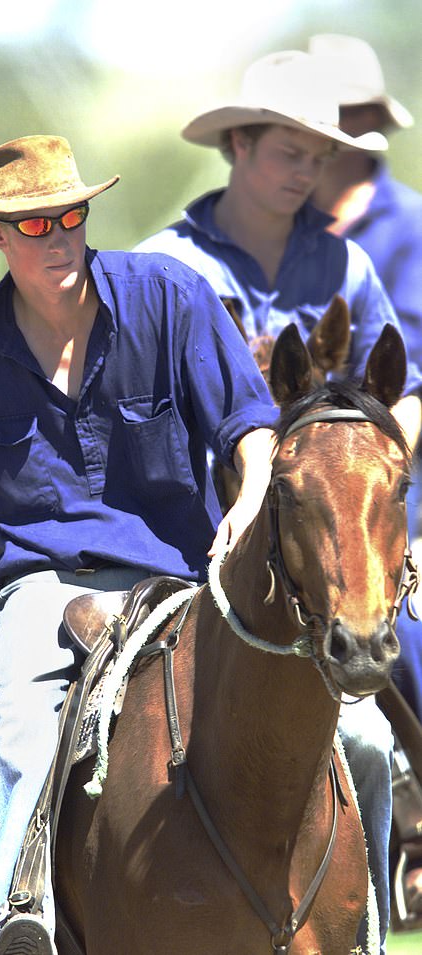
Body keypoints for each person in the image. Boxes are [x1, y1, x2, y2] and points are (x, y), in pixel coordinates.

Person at [0, 134, 279, 955]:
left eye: (72, 215)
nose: (61, 238)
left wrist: (252, 502)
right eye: (36, 225)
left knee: (343, 729)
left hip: (183, 581)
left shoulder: (170, 296)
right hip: (42, 587)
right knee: (15, 731)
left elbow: (252, 426)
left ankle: (355, 927)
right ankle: (10, 925)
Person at [133, 50, 422, 952]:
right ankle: (37, 902)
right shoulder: (163, 269)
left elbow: (394, 395)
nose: (306, 169)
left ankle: (366, 925)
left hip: (315, 578)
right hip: (183, 563)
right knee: (74, 729)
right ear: (238, 145)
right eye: (286, 150)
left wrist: (383, 502)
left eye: (317, 152)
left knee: (371, 745)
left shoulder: (342, 266)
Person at [308, 31, 422, 923]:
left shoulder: (410, 230)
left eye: (338, 121)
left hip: (402, 489)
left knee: (408, 636)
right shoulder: (286, 235)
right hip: (309, 496)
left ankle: (411, 835)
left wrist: (395, 499)